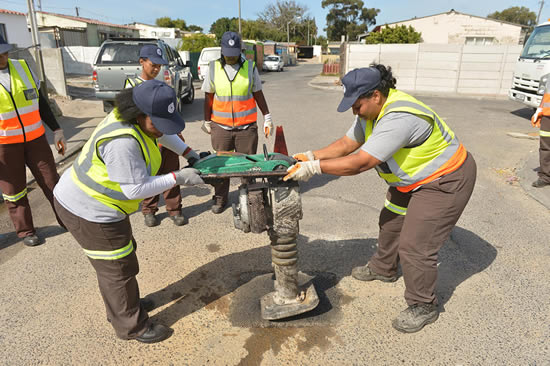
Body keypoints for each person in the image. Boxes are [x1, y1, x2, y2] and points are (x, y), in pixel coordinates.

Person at [284, 65, 477, 333]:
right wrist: (310, 155)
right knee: (390, 222)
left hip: (444, 180)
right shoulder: (371, 112)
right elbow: (347, 143)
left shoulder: (399, 118)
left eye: (357, 104)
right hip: (410, 182)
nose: (354, 110)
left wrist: (315, 169)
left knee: (415, 245)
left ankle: (423, 304)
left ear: (375, 95)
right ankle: (384, 268)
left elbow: (361, 162)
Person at [53, 80, 204, 343]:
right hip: (89, 210)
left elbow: (161, 131)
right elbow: (134, 191)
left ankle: (126, 306)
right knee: (116, 269)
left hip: (102, 206)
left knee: (122, 259)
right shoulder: (122, 141)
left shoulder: (138, 119)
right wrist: (179, 177)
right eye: (158, 122)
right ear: (140, 114)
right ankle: (131, 326)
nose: (161, 129)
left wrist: (189, 153)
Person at [0, 35, 67, 246]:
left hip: (36, 139)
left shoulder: (22, 67)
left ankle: (68, 220)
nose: (3, 56)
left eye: (5, 51)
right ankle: (26, 231)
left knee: (51, 181)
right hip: (5, 145)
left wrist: (56, 129)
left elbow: (41, 102)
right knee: (14, 190)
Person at [125, 44, 199, 226]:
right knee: (150, 175)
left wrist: (178, 136)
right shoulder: (132, 86)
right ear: (142, 62)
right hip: (148, 143)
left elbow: (169, 114)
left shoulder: (161, 85)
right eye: (153, 65)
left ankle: (174, 209)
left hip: (167, 140)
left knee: (172, 171)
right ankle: (149, 210)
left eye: (159, 66)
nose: (157, 69)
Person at [201, 31, 274, 213]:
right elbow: (208, 97)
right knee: (221, 167)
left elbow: (258, 94)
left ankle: (250, 199)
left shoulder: (249, 67)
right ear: (222, 51)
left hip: (246, 128)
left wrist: (267, 116)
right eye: (227, 54)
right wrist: (206, 120)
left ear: (239, 50)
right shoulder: (213, 68)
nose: (231, 58)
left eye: (234, 54)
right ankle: (220, 198)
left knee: (248, 167)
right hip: (220, 128)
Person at [530, 83, 550, 188]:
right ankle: (546, 177)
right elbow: (547, 95)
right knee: (545, 147)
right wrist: (539, 110)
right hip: (547, 116)